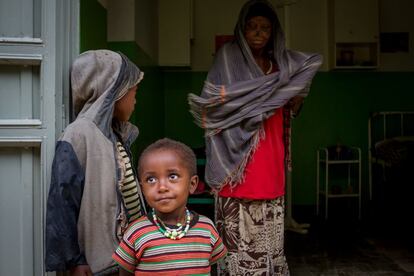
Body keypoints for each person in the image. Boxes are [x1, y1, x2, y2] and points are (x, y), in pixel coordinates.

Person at [188, 0, 322, 275]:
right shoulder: (227, 58)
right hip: (235, 160)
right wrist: (251, 104)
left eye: (265, 28)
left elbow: (294, 104)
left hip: (269, 155)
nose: (258, 33)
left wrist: (291, 99)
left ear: (274, 33)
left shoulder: (282, 68)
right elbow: (213, 106)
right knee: (237, 241)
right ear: (241, 30)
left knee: (269, 239)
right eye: (252, 27)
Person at [45, 49, 146, 275]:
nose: (135, 99)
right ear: (113, 91)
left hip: (125, 260)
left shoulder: (116, 135)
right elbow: (62, 202)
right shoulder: (79, 134)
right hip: (96, 266)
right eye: (134, 91)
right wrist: (75, 260)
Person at [112, 138, 227, 275]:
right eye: (151, 179)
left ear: (192, 184)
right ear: (142, 189)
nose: (162, 187)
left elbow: (212, 269)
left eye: (172, 176)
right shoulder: (136, 232)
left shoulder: (207, 229)